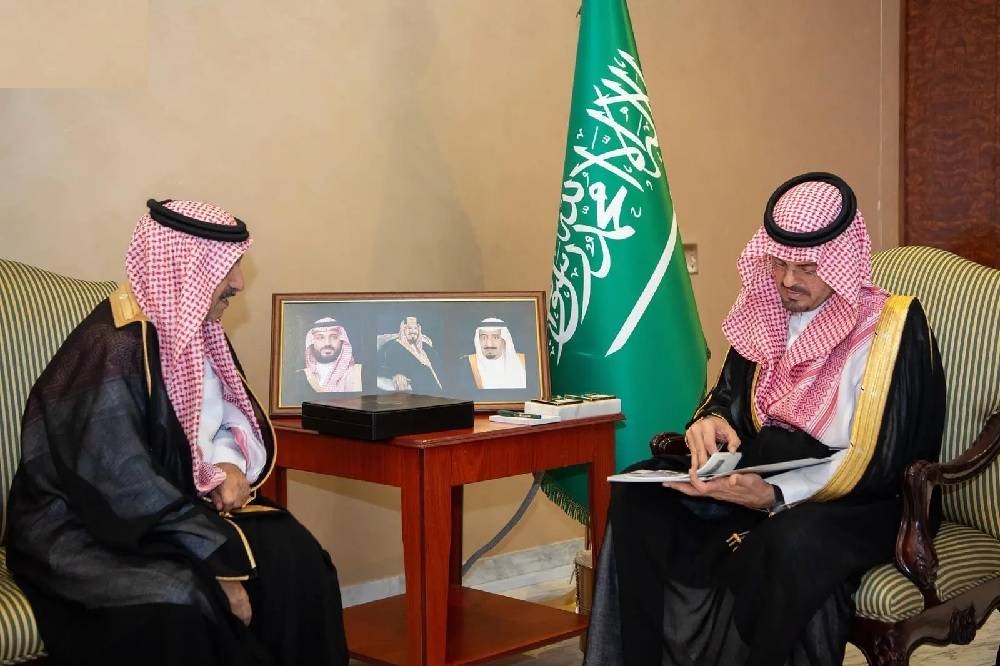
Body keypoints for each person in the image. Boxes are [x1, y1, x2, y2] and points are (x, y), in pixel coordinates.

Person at [584, 173, 946, 665]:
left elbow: (889, 459)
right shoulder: (764, 310)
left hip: (858, 498)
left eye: (807, 267)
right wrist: (710, 421)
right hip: (758, 471)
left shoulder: (893, 329)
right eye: (779, 263)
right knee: (639, 494)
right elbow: (727, 398)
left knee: (790, 543)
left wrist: (776, 495)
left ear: (841, 263)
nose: (788, 280)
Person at [6, 199, 349, 666]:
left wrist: (225, 462)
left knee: (296, 556)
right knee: (182, 597)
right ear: (184, 269)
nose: (238, 283)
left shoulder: (198, 332)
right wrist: (216, 563)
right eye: (226, 268)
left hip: (172, 508)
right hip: (85, 523)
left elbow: (229, 416)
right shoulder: (112, 346)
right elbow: (121, 480)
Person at [376, 315, 445, 393]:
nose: (413, 331)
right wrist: (396, 374)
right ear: (402, 329)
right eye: (409, 328)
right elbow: (379, 366)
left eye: (415, 328)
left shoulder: (427, 348)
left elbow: (441, 366)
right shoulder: (393, 347)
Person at [459, 317, 527, 389]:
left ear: (504, 340)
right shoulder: (466, 364)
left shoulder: (524, 362)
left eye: (496, 337)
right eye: (483, 337)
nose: (489, 344)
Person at [300, 317, 362, 392]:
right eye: (320, 337)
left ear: (342, 340)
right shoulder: (301, 376)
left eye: (334, 337)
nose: (327, 343)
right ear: (312, 341)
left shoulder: (357, 374)